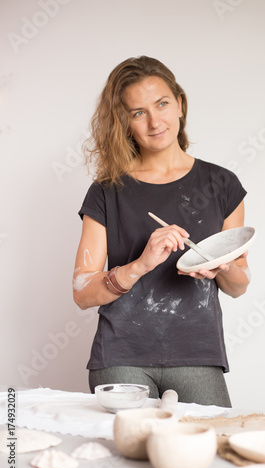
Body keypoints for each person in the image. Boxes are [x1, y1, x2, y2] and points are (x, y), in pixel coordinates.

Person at [73, 55, 250, 407]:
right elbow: (82, 292)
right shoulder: (107, 190)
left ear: (180, 105)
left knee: (213, 450)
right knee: (128, 454)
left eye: (162, 104)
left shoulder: (222, 184)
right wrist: (140, 265)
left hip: (198, 353)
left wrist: (223, 267)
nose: (155, 121)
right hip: (121, 355)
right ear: (124, 122)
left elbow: (240, 285)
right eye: (138, 112)